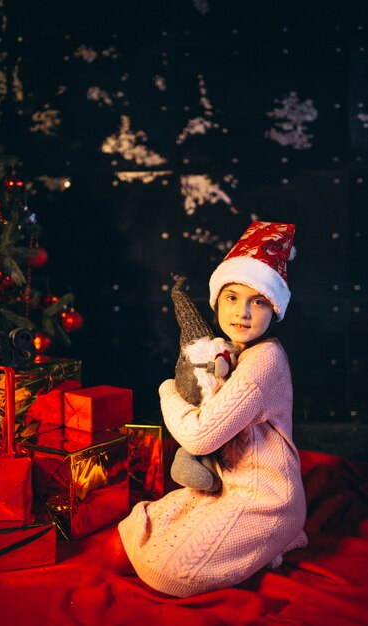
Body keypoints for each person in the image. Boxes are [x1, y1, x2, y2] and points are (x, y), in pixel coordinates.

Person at [108, 221, 308, 598]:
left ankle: (280, 533)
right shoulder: (228, 351)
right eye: (232, 298)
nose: (243, 313)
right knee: (146, 526)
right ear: (217, 301)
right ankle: (262, 546)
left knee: (171, 572)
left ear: (274, 309)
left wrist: (168, 390)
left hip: (267, 499)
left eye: (258, 301)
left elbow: (200, 437)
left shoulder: (264, 360)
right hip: (224, 485)